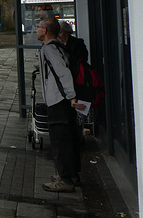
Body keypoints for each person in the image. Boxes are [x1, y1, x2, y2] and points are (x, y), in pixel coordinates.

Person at [37, 17, 86, 192]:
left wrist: (71, 96)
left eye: (39, 27)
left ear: (45, 31)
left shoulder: (50, 49)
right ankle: (71, 175)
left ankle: (65, 180)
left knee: (60, 141)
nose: (37, 30)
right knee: (68, 139)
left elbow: (63, 72)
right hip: (63, 100)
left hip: (59, 100)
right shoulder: (57, 47)